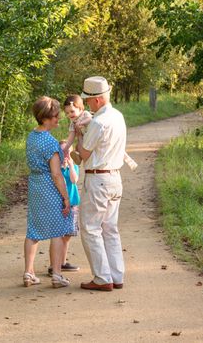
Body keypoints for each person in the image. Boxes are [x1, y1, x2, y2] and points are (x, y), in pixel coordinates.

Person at [77, 76, 127, 291]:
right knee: (110, 228)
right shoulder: (117, 116)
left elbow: (84, 154)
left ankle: (102, 277)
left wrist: (79, 133)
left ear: (96, 100)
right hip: (115, 177)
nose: (87, 104)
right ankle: (116, 275)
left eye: (88, 100)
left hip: (98, 178)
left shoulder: (98, 122)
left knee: (90, 228)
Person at [23, 96, 73, 289]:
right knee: (58, 231)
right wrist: (65, 196)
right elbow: (56, 174)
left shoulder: (31, 137)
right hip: (49, 187)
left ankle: (29, 272)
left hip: (34, 185)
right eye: (55, 117)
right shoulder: (50, 142)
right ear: (45, 118)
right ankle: (57, 275)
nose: (58, 120)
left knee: (33, 230)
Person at [64, 94, 137, 171]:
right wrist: (66, 147)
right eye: (67, 113)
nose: (70, 114)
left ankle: (131, 163)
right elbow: (71, 137)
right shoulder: (73, 123)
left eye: (72, 111)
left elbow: (90, 119)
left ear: (81, 109)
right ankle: (78, 157)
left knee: (121, 153)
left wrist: (81, 123)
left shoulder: (85, 115)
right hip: (85, 140)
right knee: (77, 147)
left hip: (91, 138)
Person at [48, 140, 80, 276]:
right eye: (62, 151)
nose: (65, 154)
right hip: (59, 203)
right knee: (57, 235)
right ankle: (53, 265)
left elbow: (74, 180)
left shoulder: (72, 166)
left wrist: (71, 165)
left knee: (67, 235)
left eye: (67, 151)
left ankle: (62, 262)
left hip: (72, 203)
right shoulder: (55, 167)